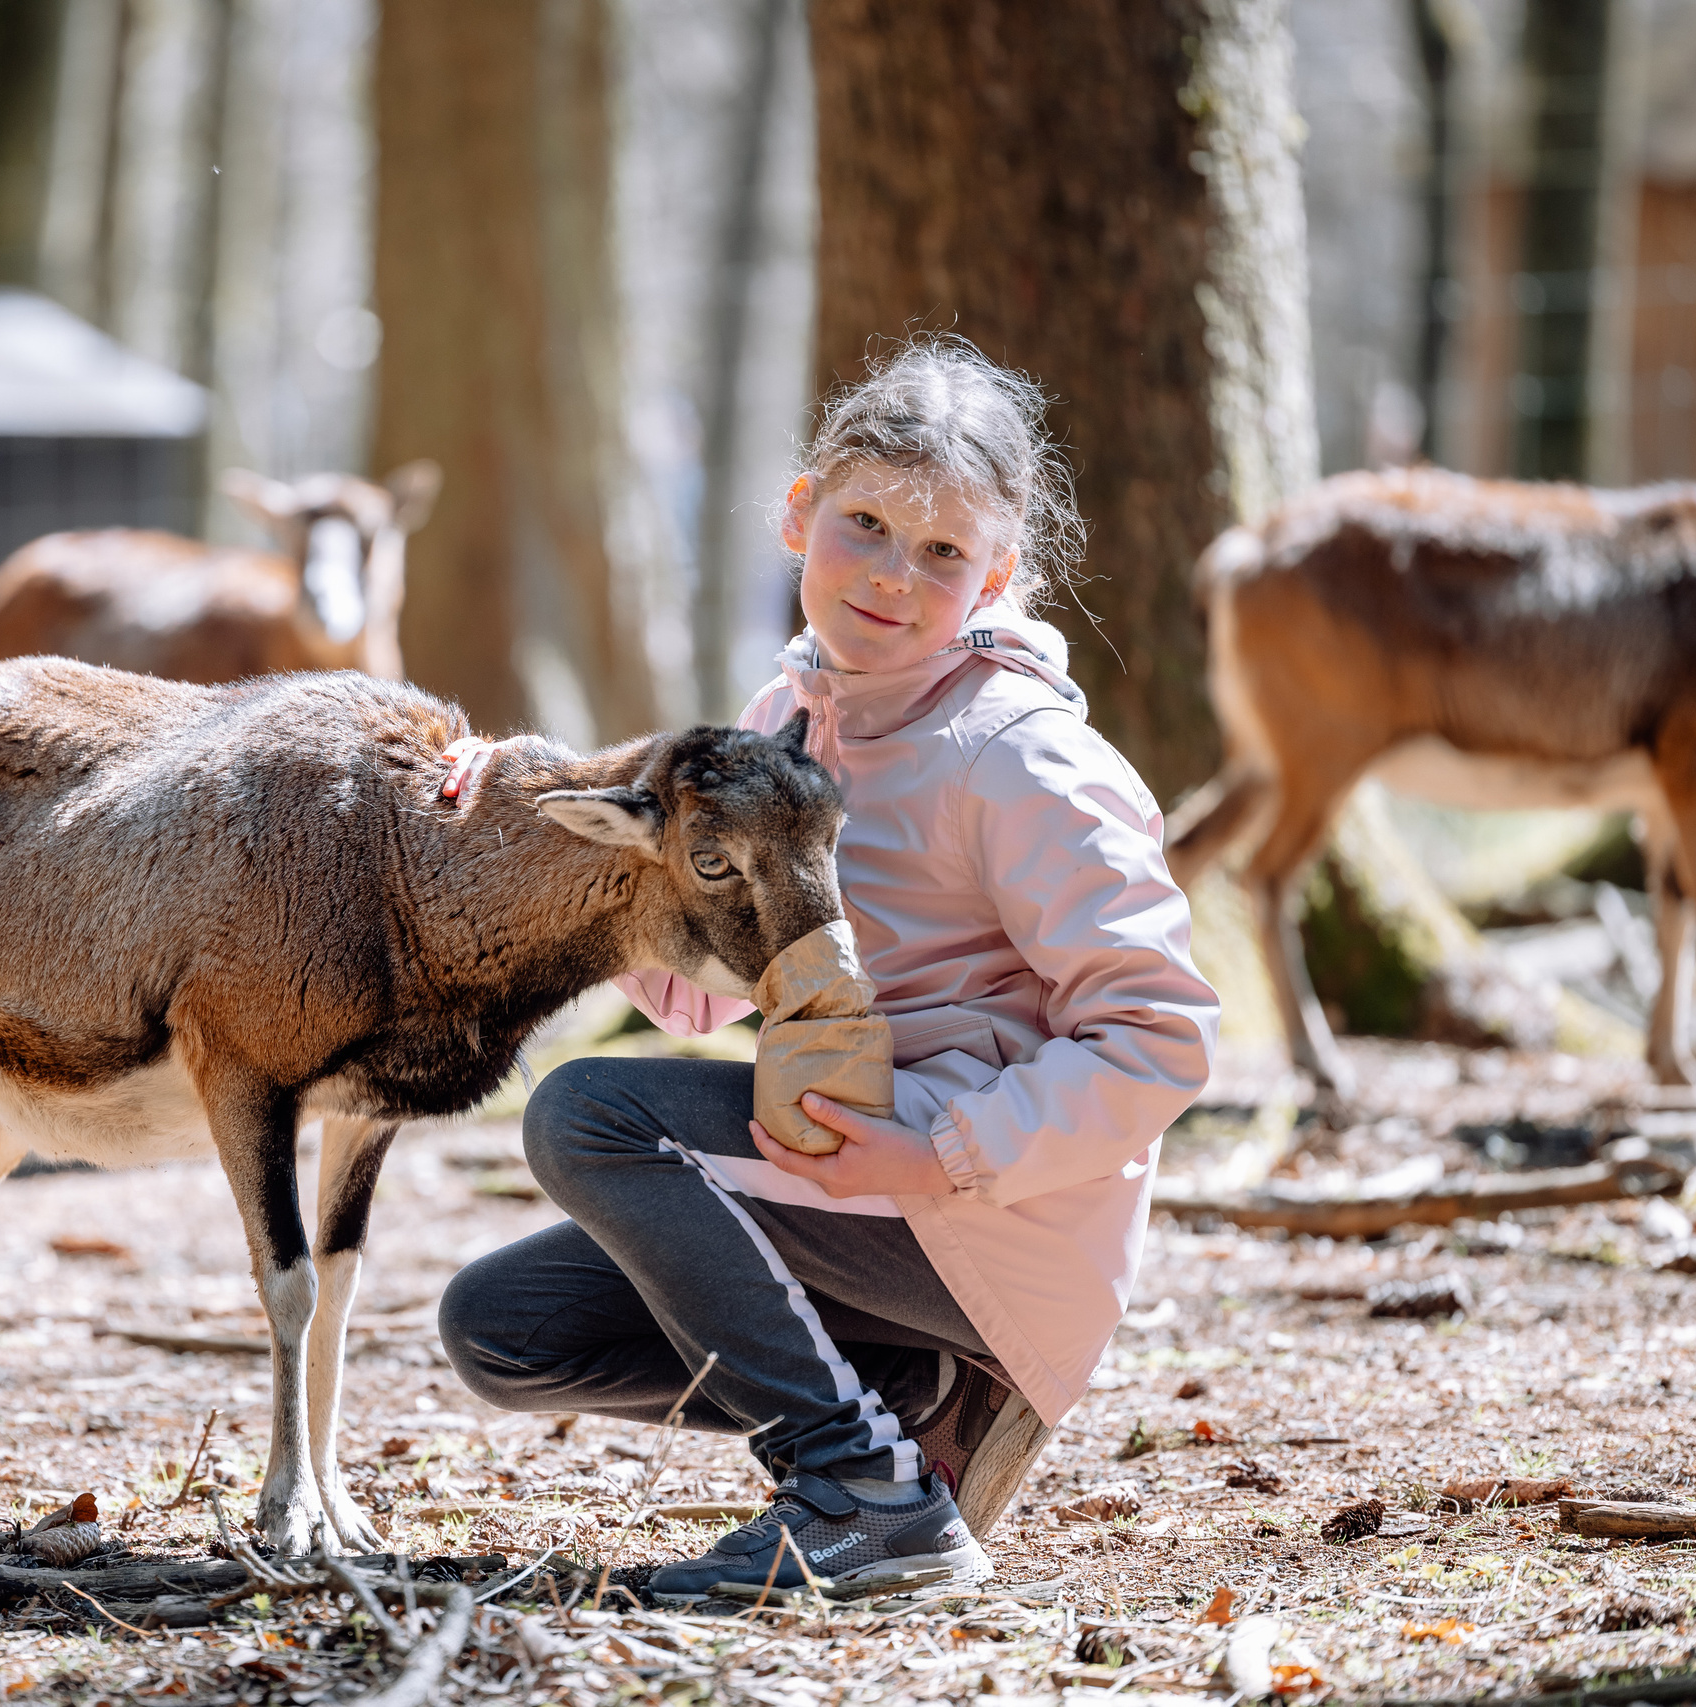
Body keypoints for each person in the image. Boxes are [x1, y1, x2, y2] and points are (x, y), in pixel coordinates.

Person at [436, 336, 1218, 1599]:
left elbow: (1158, 1042)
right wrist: (533, 824)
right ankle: (910, 1398)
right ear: (800, 515)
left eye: (943, 552)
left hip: (988, 1214)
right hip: (856, 1175)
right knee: (506, 1331)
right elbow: (700, 987)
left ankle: (863, 1490)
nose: (894, 576)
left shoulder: (1019, 760)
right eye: (865, 525)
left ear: (996, 575)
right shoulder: (786, 718)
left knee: (591, 1114)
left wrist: (937, 1152)